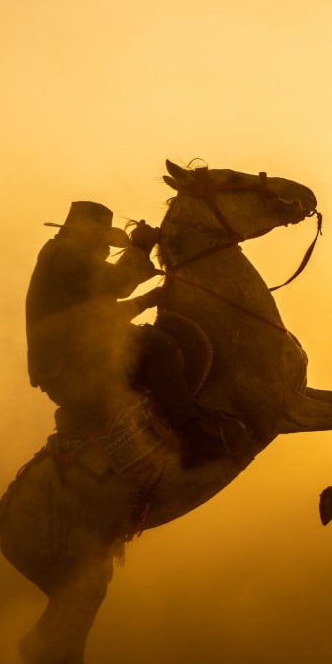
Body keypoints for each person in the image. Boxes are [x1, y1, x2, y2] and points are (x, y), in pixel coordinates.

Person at [26, 200, 226, 468]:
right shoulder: (66, 254)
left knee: (149, 343)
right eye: (102, 241)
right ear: (89, 236)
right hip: (72, 369)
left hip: (70, 363)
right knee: (157, 345)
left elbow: (99, 318)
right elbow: (118, 284)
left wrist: (148, 299)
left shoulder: (62, 256)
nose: (105, 250)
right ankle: (192, 439)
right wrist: (141, 246)